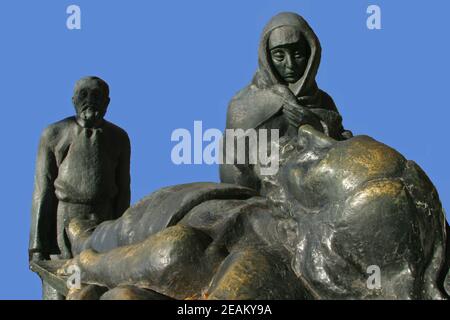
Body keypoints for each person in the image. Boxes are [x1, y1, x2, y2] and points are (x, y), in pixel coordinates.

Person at [220, 12, 352, 189]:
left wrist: (314, 125)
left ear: (311, 54)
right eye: (279, 56)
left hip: (319, 189)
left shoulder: (323, 101)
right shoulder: (243, 104)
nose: (290, 64)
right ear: (266, 57)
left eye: (298, 54)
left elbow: (344, 149)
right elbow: (232, 164)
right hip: (268, 194)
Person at [29, 76, 131, 298]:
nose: (90, 101)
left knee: (95, 287)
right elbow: (42, 190)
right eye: (83, 95)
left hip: (103, 222)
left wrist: (123, 236)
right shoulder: (54, 134)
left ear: (107, 102)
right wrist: (37, 246)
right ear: (74, 99)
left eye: (96, 96)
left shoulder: (119, 138)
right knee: (62, 286)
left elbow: (123, 189)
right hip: (63, 224)